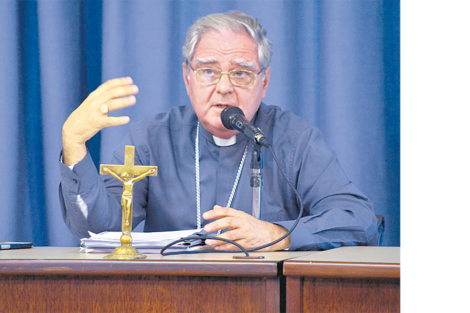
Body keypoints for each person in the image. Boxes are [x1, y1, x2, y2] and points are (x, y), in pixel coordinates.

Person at [59, 11, 378, 251]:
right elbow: (98, 231)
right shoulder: (152, 139)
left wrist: (278, 235)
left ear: (264, 82)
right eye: (209, 71)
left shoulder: (295, 140)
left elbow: (360, 220)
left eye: (241, 73)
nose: (224, 88)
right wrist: (74, 144)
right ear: (188, 78)